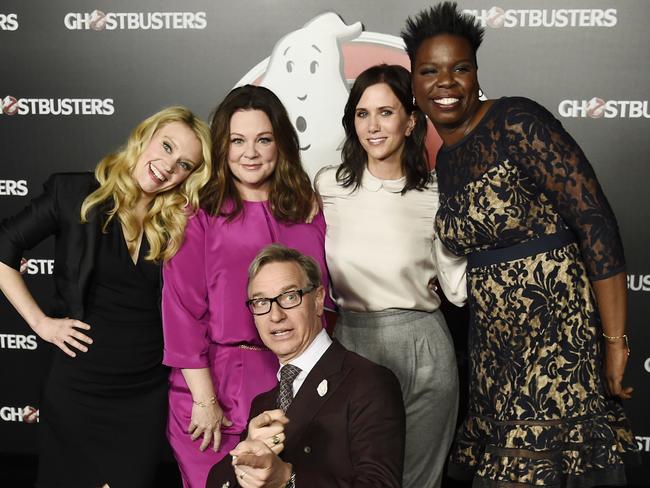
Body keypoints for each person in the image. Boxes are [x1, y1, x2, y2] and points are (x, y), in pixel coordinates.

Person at [402, 2, 637, 487]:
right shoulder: (445, 160)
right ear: (414, 84)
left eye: (459, 68)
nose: (445, 83)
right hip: (495, 352)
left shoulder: (517, 121)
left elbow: (597, 226)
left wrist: (614, 343)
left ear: (476, 74)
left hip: (558, 343)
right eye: (430, 71)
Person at [0, 106, 212, 488]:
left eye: (183, 164)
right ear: (144, 136)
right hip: (78, 387)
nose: (167, 165)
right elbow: (4, 247)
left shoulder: (180, 223)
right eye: (165, 146)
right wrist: (39, 323)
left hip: (144, 394)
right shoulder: (73, 192)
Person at [161, 85, 331, 488]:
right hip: (215, 387)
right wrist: (204, 401)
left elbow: (329, 300)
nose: (250, 153)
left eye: (263, 139)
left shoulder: (307, 209)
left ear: (281, 144)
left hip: (298, 381)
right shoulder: (199, 214)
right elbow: (183, 312)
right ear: (222, 146)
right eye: (237, 140)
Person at [314, 64, 466, 488]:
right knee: (349, 475)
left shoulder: (436, 193)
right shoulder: (329, 187)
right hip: (350, 343)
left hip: (423, 348)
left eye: (386, 112)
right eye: (362, 114)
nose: (373, 126)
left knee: (417, 479)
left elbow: (457, 286)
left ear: (411, 121)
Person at [206, 244, 406, 488]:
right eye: (260, 302)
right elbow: (216, 483)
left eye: (290, 297)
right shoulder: (263, 404)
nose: (275, 315)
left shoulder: (368, 382)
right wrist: (245, 456)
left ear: (318, 299)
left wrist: (287, 479)